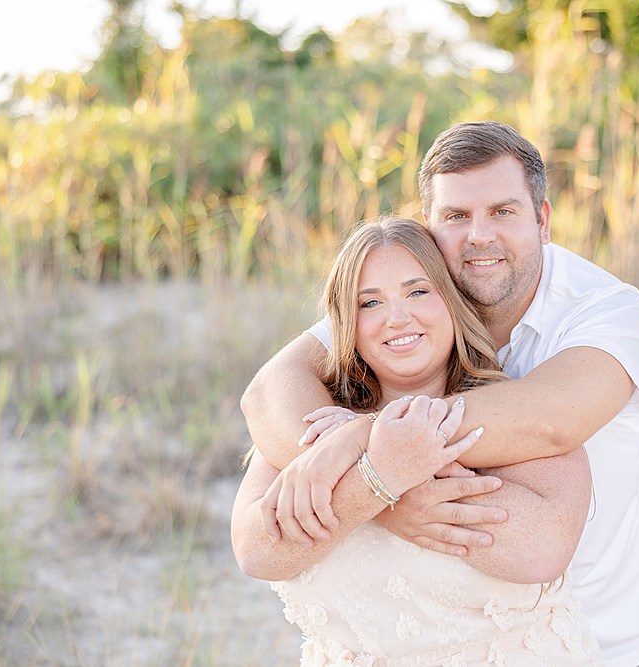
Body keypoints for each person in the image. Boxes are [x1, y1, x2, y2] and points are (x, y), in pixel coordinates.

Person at [240, 122, 639, 667]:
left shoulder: (605, 307)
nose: (479, 236)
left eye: (503, 212)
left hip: (608, 637)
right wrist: (374, 490)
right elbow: (267, 391)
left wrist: (367, 442)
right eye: (456, 217)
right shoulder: (404, 301)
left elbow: (552, 421)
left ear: (542, 220)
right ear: (429, 228)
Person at [232, 217, 602, 665]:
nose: (397, 317)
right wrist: (378, 478)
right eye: (369, 303)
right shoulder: (315, 424)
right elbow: (258, 551)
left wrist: (370, 449)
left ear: (453, 301)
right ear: (345, 322)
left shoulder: (508, 411)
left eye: (418, 291)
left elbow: (539, 552)